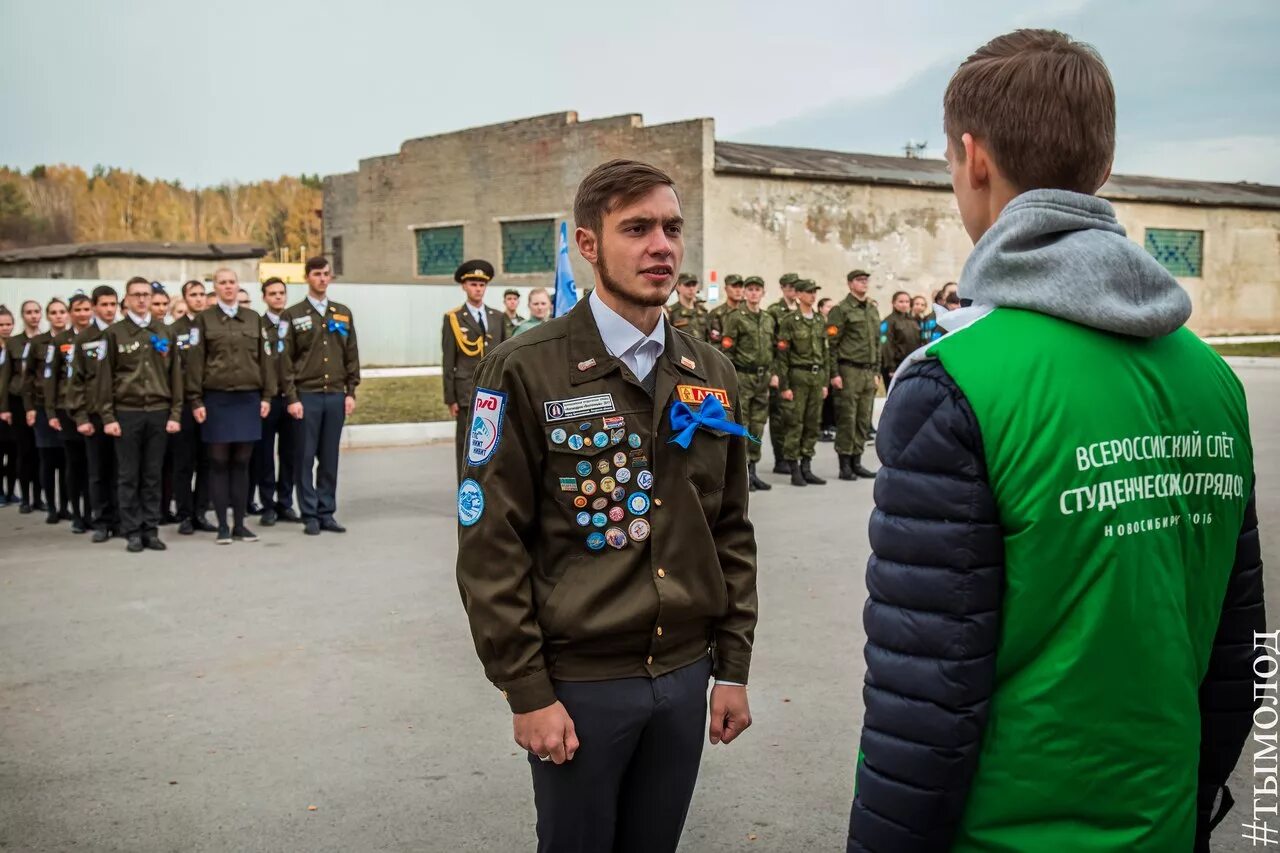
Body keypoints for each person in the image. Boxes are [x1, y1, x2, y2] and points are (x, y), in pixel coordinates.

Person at [847, 29, 1262, 853]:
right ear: (1100, 166)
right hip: (1164, 823)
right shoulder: (1215, 382)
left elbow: (925, 698)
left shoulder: (952, 384)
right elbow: (1241, 651)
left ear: (972, 159)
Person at [456, 159, 757, 853]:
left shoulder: (709, 373)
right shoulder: (525, 368)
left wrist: (732, 666)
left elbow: (731, 528)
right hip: (581, 684)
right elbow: (490, 544)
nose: (662, 246)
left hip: (683, 676)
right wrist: (527, 689)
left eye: (673, 228)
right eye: (638, 228)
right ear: (588, 245)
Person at [187, 268, 276, 544]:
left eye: (232, 283)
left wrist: (267, 397)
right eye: (222, 283)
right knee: (218, 462)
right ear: (215, 288)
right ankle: (223, 526)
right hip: (217, 399)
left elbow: (267, 360)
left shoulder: (253, 319)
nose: (228, 287)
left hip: (248, 399)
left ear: (238, 287)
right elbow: (194, 363)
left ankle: (240, 524)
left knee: (242, 462)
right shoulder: (203, 321)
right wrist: (196, 399)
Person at [95, 277, 182, 553]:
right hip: (128, 412)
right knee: (128, 474)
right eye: (137, 295)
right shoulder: (114, 334)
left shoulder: (164, 332)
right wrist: (108, 417)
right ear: (127, 299)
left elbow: (176, 375)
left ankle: (151, 529)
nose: (143, 300)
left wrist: (176, 413)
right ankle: (131, 530)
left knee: (153, 475)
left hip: (158, 411)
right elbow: (104, 379)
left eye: (146, 294)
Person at [281, 256, 360, 536]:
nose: (323, 279)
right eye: (317, 274)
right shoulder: (292, 315)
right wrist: (292, 398)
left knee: (329, 457)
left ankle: (327, 511)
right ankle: (309, 513)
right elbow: (285, 361)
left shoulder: (342, 312)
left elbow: (351, 354)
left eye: (326, 274)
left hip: (335, 395)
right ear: (307, 277)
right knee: (304, 456)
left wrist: (351, 391)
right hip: (307, 395)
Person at [441, 259, 506, 483]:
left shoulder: (498, 317)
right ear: (464, 286)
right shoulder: (454, 318)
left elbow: (506, 356)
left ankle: (491, 488)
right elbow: (448, 360)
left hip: (494, 391)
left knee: (495, 444)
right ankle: (467, 491)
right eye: (473, 284)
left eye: (481, 284)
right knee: (466, 446)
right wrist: (450, 397)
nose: (477, 288)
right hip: (466, 392)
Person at [69, 285, 121, 542]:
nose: (109, 310)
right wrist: (80, 417)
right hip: (94, 415)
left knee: (123, 471)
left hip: (122, 413)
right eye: (104, 305)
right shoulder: (84, 338)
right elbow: (75, 381)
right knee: (98, 472)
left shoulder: (123, 333)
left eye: (113, 304)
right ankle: (101, 521)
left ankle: (121, 519)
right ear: (95, 306)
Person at [718, 275, 775, 490]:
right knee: (743, 424)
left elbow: (771, 350)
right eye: (749, 289)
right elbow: (727, 351)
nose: (753, 293)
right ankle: (741, 472)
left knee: (759, 424)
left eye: (757, 289)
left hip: (763, 377)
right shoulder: (736, 317)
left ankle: (753, 470)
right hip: (743, 376)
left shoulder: (768, 318)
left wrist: (773, 373)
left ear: (762, 293)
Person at [168, 280, 216, 535]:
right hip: (185, 403)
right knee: (184, 462)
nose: (198, 299)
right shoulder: (174, 330)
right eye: (193, 295)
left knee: (208, 460)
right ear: (185, 299)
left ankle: (201, 511)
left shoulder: (213, 324)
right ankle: (185, 513)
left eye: (201, 295)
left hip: (210, 401)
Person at [46, 293, 94, 533]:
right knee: (74, 464)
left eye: (87, 309)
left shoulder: (101, 336)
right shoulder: (60, 341)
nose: (83, 314)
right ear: (70, 313)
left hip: (93, 407)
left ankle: (93, 511)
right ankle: (77, 513)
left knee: (94, 464)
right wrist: (51, 411)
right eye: (78, 309)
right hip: (68, 409)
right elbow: (50, 377)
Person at [826, 270, 880, 481]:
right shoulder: (841, 310)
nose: (863, 283)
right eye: (859, 280)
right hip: (848, 370)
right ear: (850, 284)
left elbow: (877, 344)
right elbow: (831, 344)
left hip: (868, 372)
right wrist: (834, 373)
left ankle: (857, 461)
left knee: (863, 418)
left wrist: (877, 371)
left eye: (866, 280)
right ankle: (845, 464)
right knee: (847, 417)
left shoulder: (872, 310)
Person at [775, 280, 829, 487]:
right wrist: (785, 386)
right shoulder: (790, 320)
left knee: (812, 423)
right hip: (797, 377)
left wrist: (825, 381)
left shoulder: (819, 320)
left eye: (814, 292)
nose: (812, 295)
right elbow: (782, 356)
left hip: (816, 378)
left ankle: (807, 465)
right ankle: (794, 468)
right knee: (794, 423)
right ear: (798, 294)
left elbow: (825, 353)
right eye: (808, 292)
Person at [23, 298, 71, 524]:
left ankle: (64, 506)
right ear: (48, 316)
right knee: (48, 458)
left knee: (66, 460)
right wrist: (30, 407)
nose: (59, 316)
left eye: (62, 311)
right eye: (54, 312)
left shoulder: (74, 339)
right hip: (44, 407)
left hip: (67, 407)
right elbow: (28, 377)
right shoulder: (38, 343)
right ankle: (51, 506)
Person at [256, 277, 298, 525]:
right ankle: (268, 504)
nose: (278, 297)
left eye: (281, 293)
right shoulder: (257, 326)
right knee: (264, 454)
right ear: (264, 297)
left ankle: (285, 503)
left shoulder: (293, 322)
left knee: (290, 452)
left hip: (291, 398)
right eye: (272, 293)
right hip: (268, 399)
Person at [6, 299, 44, 512]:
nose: (33, 316)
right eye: (29, 312)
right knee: (24, 451)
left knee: (40, 452)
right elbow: (5, 377)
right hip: (18, 401)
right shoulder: (13, 343)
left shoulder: (45, 340)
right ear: (23, 315)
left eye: (36, 311)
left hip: (38, 401)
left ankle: (39, 497)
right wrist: (4, 408)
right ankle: (26, 498)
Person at [765, 273, 799, 473]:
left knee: (794, 416)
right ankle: (780, 458)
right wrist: (774, 372)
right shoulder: (775, 311)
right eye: (788, 287)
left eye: (795, 287)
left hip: (797, 369)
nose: (792, 291)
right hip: (781, 368)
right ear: (782, 288)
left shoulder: (801, 311)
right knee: (778, 416)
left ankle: (792, 455)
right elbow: (772, 345)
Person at [879, 290, 920, 386]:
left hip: (912, 364)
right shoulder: (888, 322)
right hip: (896, 367)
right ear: (893, 303)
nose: (904, 305)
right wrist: (891, 368)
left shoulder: (913, 321)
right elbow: (886, 346)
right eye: (901, 302)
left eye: (907, 302)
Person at [0, 306, 16, 506]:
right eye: (1, 324)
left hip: (11, 407)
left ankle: (12, 491)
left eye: (8, 324)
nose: (5, 328)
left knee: (14, 452)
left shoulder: (15, 346)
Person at [665, 272, 709, 341]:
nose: (691, 288)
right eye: (687, 285)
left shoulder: (703, 312)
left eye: (694, 285)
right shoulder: (671, 312)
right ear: (678, 287)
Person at [706, 273, 744, 344]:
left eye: (740, 287)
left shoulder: (747, 312)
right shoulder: (717, 313)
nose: (738, 290)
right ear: (726, 289)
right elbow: (714, 342)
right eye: (734, 286)